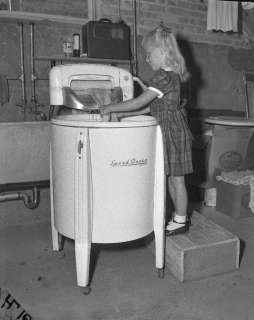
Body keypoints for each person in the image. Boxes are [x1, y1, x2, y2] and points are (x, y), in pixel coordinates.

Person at [100, 23, 193, 236]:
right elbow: (152, 107)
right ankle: (178, 216)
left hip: (172, 133)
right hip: (170, 129)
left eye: (149, 54)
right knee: (171, 176)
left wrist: (111, 107)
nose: (147, 58)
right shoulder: (171, 76)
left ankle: (181, 219)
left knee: (177, 179)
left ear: (162, 52)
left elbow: (137, 102)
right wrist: (124, 115)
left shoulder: (164, 77)